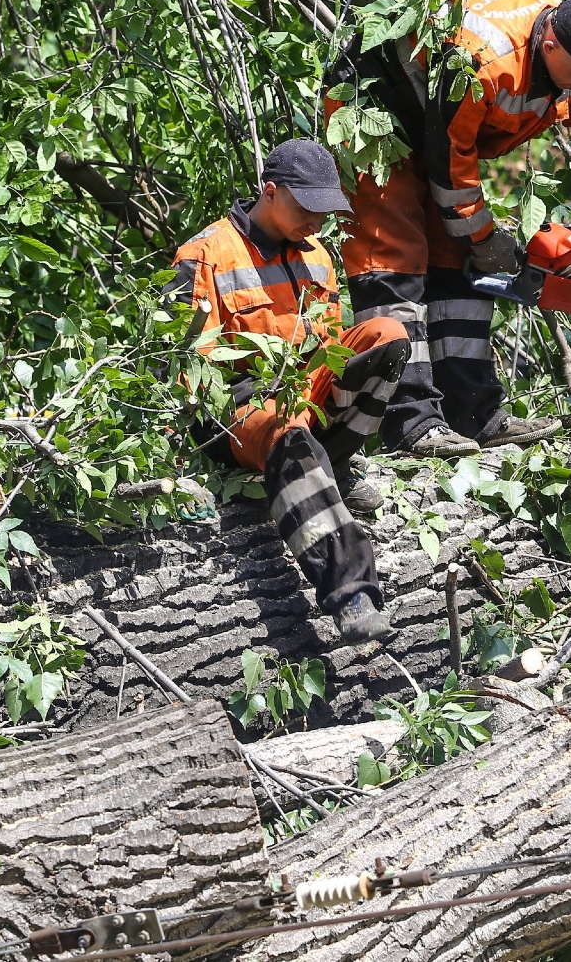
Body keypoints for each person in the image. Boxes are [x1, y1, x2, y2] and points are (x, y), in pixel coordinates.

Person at [331, 0, 571, 458]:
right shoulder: (484, 59)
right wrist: (484, 235)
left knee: (457, 259)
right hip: (372, 108)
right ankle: (410, 423)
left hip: (440, 121)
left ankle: (473, 414)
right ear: (551, 43)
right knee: (393, 252)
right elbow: (449, 163)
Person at [170, 139, 408, 644]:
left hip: (303, 390)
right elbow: (185, 365)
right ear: (270, 192)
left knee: (388, 337)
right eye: (306, 210)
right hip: (237, 406)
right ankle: (351, 594)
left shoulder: (317, 254)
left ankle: (334, 464)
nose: (316, 223)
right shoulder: (206, 253)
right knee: (287, 430)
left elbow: (333, 344)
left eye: (325, 211)